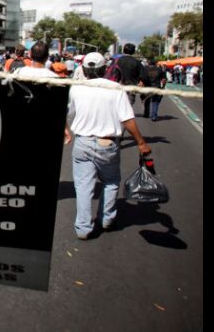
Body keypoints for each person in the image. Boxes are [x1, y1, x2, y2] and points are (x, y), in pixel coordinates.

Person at [64, 52, 152, 240]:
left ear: (84, 69)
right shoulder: (115, 88)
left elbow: (66, 112)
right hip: (108, 143)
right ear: (105, 69)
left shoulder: (77, 88)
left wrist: (66, 130)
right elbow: (127, 119)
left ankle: (83, 228)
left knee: (83, 186)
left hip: (83, 142)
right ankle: (106, 220)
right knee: (110, 181)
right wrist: (141, 142)